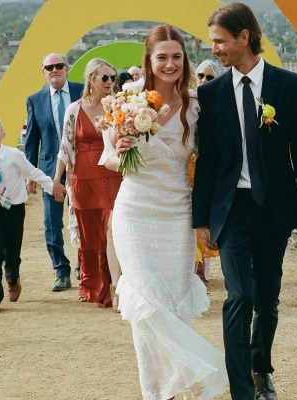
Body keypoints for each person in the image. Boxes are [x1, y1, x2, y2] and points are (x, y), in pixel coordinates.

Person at [192, 3, 297, 400]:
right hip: (231, 210)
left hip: (275, 209)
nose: (214, 50)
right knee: (240, 296)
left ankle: (260, 368)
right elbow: (209, 161)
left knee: (267, 299)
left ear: (244, 37)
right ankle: (241, 392)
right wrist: (202, 218)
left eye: (220, 41)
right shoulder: (211, 93)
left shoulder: (289, 86)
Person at [101, 25, 228, 399]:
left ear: (184, 60)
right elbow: (107, 157)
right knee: (146, 303)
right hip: (135, 213)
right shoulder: (127, 98)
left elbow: (215, 159)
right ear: (150, 60)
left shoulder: (197, 104)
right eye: (162, 57)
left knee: (172, 306)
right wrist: (120, 150)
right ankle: (157, 392)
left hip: (177, 216)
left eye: (177, 56)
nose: (170, 63)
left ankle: (176, 390)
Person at [52, 58, 122, 309]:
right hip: (82, 180)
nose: (110, 82)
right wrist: (57, 179)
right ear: (91, 79)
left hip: (112, 176)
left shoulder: (118, 107)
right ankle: (94, 287)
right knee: (90, 236)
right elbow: (65, 146)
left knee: (111, 232)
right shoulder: (74, 109)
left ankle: (116, 287)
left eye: (112, 78)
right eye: (104, 78)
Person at [24, 53, 84, 292]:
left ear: (67, 68)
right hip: (50, 172)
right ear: (44, 71)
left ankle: (84, 265)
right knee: (52, 223)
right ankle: (61, 271)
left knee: (83, 219)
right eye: (49, 67)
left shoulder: (83, 91)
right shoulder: (35, 100)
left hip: (82, 167)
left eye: (59, 66)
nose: (54, 70)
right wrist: (30, 173)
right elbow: (32, 141)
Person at [0, 120, 56, 312]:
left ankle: (13, 278)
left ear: (2, 135)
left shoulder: (13, 155)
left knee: (12, 253)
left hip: (13, 210)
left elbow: (33, 172)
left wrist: (53, 187)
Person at [189, 58, 224, 283]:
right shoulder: (188, 103)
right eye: (200, 76)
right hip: (186, 169)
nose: (203, 81)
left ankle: (201, 271)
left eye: (209, 77)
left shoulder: (222, 105)